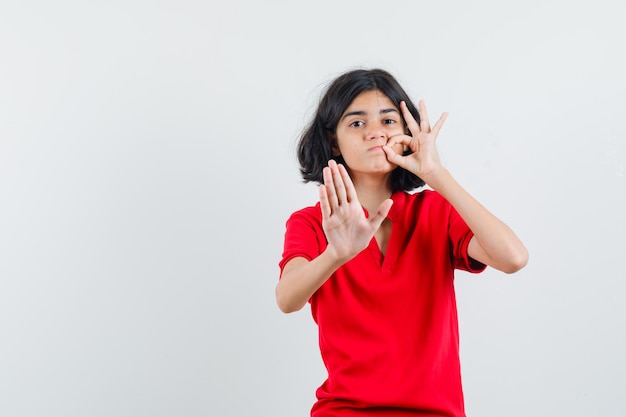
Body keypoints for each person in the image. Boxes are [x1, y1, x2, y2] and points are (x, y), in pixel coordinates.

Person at [276, 68, 528, 417]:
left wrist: (437, 175)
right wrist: (335, 255)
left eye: (389, 120)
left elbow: (513, 258)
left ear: (407, 132)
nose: (376, 133)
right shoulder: (312, 222)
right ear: (334, 140)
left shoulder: (436, 212)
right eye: (357, 123)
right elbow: (287, 299)